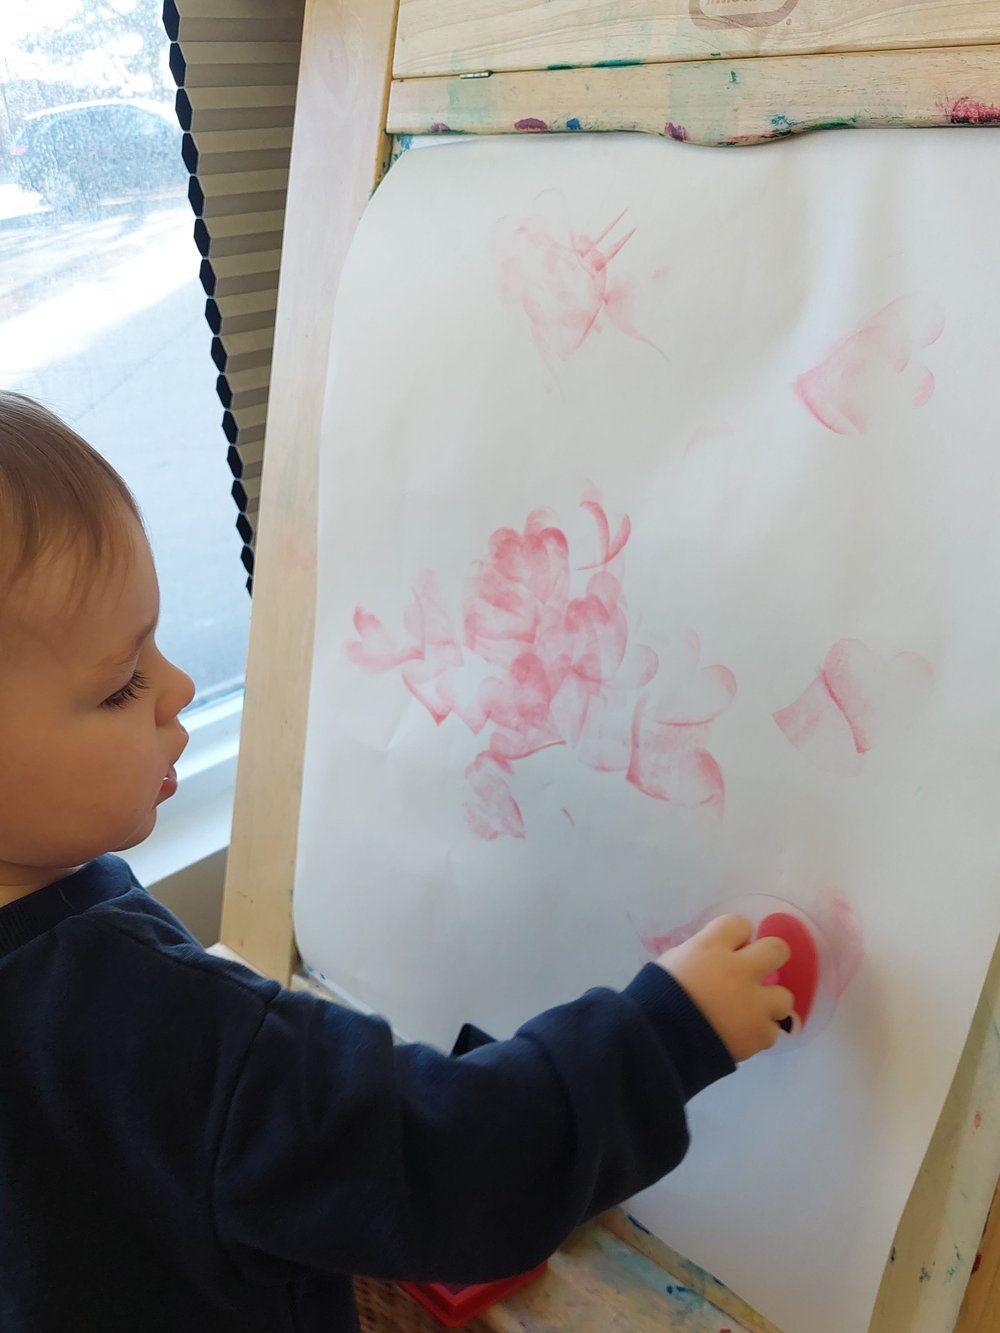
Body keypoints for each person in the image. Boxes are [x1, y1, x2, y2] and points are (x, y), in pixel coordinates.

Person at [0, 391, 794, 1332]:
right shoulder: (154, 1023)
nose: (176, 688)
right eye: (122, 684)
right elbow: (461, 1169)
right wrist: (669, 1032)